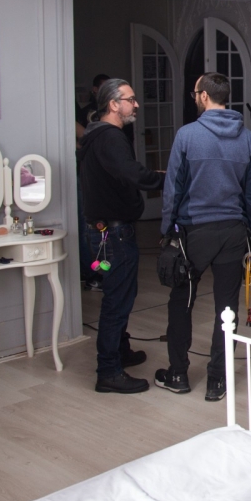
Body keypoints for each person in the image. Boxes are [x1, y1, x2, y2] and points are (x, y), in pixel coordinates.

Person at [155, 73, 251, 402]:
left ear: (204, 96)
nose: (194, 97)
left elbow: (173, 189)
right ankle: (217, 380)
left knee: (181, 303)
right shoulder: (246, 138)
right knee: (226, 306)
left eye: (195, 92)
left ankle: (178, 374)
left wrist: (166, 231)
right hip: (233, 232)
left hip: (194, 233)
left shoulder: (187, 135)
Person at [78, 79, 166, 394]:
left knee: (121, 295)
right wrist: (168, 179)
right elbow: (133, 173)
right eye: (130, 99)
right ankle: (109, 371)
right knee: (117, 301)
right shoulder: (110, 137)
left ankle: (121, 351)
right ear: (114, 104)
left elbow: (120, 175)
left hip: (103, 231)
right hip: (113, 234)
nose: (136, 104)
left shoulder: (94, 135)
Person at [77, 73, 110, 289]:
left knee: (104, 228)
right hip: (88, 174)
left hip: (108, 175)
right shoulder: (86, 113)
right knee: (90, 226)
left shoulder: (116, 125)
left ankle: (103, 273)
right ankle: (93, 274)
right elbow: (82, 139)